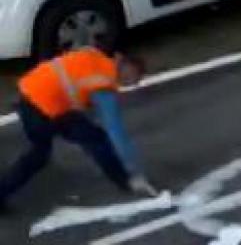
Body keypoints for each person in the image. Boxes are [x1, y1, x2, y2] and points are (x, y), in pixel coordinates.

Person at [0, 47, 158, 209]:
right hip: (45, 105)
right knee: (93, 141)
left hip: (33, 90)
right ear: (125, 67)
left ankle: (123, 180)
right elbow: (115, 130)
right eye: (133, 78)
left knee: (50, 149)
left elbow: (72, 74)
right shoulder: (104, 83)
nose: (133, 83)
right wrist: (134, 171)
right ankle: (126, 181)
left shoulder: (95, 55)